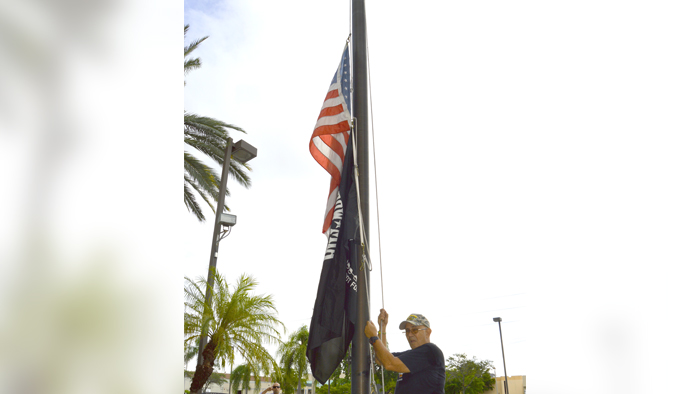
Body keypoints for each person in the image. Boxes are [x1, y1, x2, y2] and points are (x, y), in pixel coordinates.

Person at [365, 309, 445, 394]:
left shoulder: (430, 351)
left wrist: (374, 337)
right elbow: (381, 359)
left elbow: (389, 363)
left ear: (428, 332)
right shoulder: (411, 355)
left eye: (415, 330)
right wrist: (382, 327)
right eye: (407, 331)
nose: (410, 334)